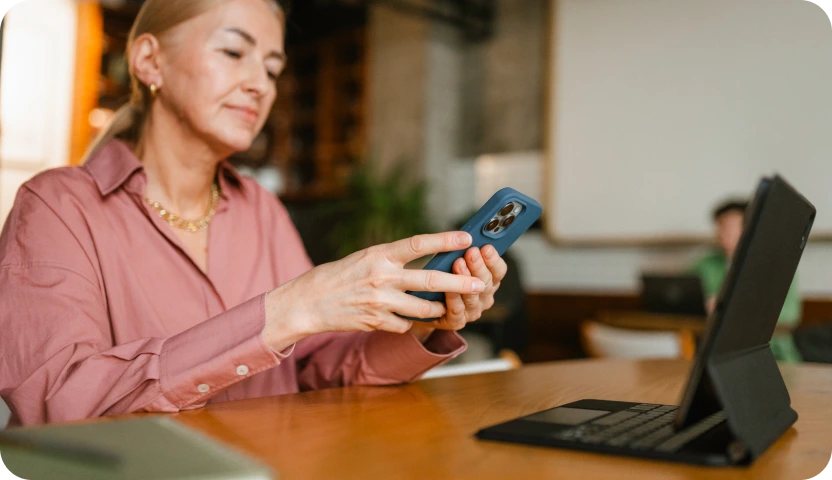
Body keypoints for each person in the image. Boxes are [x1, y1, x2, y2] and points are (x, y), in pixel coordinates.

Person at [0, 0, 507, 426]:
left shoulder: (262, 210)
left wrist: (420, 324)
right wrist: (286, 311)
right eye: (233, 51)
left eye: (271, 69)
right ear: (150, 61)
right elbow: (55, 406)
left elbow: (318, 370)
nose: (260, 85)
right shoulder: (57, 206)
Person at [691, 199, 802, 362]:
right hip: (715, 352)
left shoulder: (777, 266)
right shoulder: (705, 264)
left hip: (772, 354)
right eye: (719, 226)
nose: (722, 232)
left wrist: (730, 309)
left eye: (729, 226)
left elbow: (790, 315)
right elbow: (683, 294)